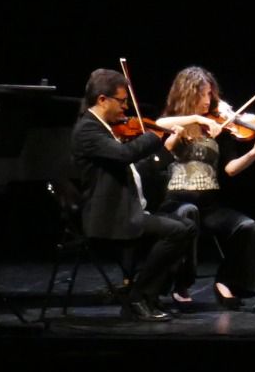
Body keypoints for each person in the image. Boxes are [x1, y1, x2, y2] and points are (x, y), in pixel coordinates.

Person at [69, 68, 196, 321]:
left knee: (186, 225)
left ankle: (148, 296)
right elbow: (125, 155)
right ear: (102, 99)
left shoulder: (104, 128)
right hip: (108, 216)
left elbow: (130, 169)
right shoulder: (88, 130)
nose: (126, 107)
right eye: (122, 100)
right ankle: (137, 298)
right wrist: (155, 134)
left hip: (125, 209)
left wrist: (165, 151)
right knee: (178, 231)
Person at [153, 66, 255, 309]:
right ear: (188, 94)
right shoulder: (176, 122)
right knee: (189, 215)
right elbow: (160, 124)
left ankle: (227, 282)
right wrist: (195, 120)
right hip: (176, 202)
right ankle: (181, 282)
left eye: (211, 94)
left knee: (245, 226)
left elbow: (230, 169)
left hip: (208, 204)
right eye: (203, 94)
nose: (209, 100)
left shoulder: (218, 127)